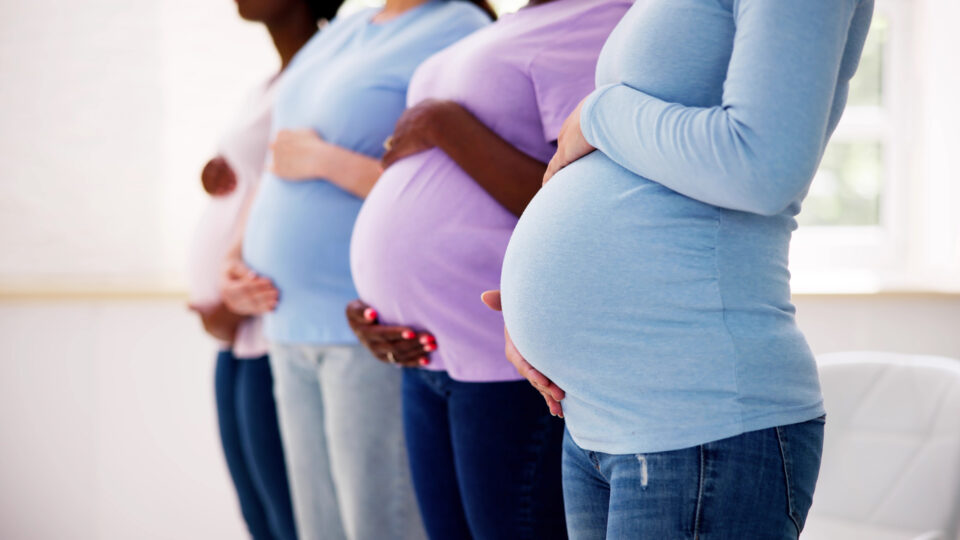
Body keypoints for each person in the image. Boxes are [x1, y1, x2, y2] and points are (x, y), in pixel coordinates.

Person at [490, 0, 874, 537]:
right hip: (597, 423)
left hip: (698, 422)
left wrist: (597, 114)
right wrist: (535, 304)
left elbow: (763, 168)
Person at [342, 0, 630, 537]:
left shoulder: (605, 17)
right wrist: (381, 294)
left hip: (505, 361)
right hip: (425, 355)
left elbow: (587, 201)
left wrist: (442, 123)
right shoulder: (518, 23)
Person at [231, 1, 492, 538]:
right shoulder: (348, 28)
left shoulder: (458, 26)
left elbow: (458, 187)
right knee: (318, 529)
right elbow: (279, 154)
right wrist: (234, 256)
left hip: (364, 328)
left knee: (380, 526)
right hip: (286, 322)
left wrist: (326, 161)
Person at [187, 1, 338, 539]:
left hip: (270, 325)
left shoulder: (329, 67)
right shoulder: (273, 79)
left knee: (289, 521)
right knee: (259, 518)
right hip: (236, 330)